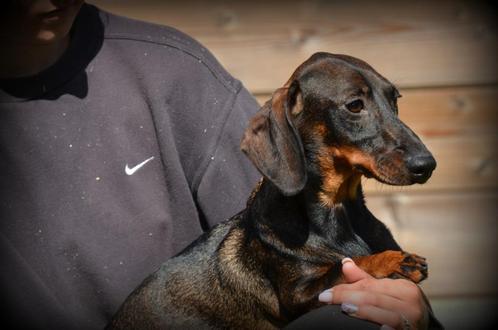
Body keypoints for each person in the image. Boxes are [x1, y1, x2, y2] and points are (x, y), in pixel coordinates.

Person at [0, 1, 441, 329]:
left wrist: (416, 319)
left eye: (389, 101)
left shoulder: (177, 71)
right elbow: (294, 288)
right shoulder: (272, 239)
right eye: (356, 106)